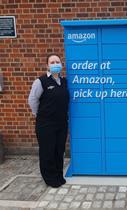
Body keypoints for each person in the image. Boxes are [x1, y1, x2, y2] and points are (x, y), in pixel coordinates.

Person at [28, 54, 69, 188]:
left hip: (61, 123)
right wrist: (38, 115)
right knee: (47, 151)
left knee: (59, 150)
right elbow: (32, 100)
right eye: (52, 62)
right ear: (47, 65)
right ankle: (50, 179)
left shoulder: (63, 81)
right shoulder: (40, 81)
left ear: (61, 65)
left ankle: (58, 175)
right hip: (46, 124)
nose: (55, 64)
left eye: (57, 61)